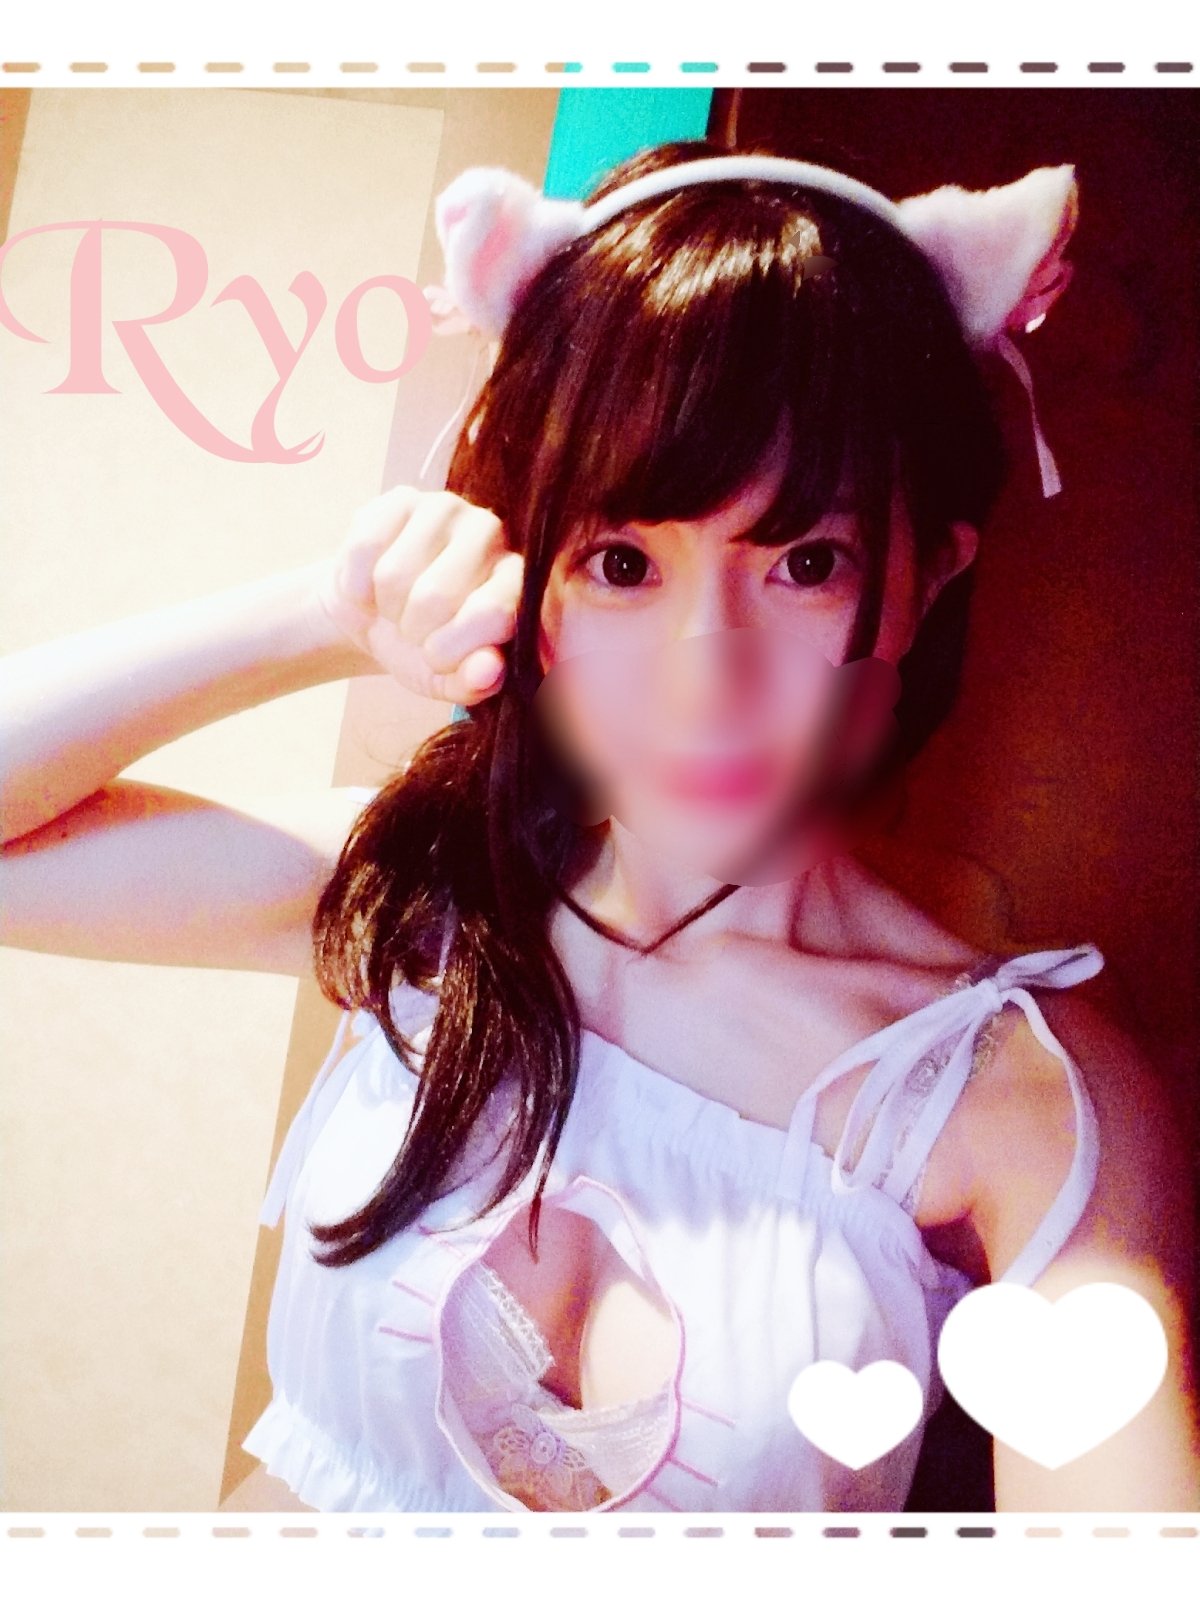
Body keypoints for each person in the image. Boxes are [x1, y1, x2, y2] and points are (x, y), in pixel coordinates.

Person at [2, 138, 1197, 1516]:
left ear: (929, 577)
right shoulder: (430, 893)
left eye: (806, 562)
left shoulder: (1016, 1101)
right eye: (623, 564)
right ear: (533, 581)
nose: (706, 679)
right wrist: (321, 614)